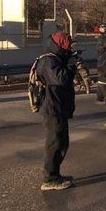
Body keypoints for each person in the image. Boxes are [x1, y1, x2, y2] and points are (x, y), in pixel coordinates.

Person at [37, 31, 77, 191]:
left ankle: (55, 174)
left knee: (62, 142)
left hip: (59, 106)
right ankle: (50, 179)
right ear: (60, 43)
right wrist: (71, 64)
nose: (70, 45)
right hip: (53, 107)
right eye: (68, 43)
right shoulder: (48, 60)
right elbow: (61, 79)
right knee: (55, 143)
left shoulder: (56, 58)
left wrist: (68, 58)